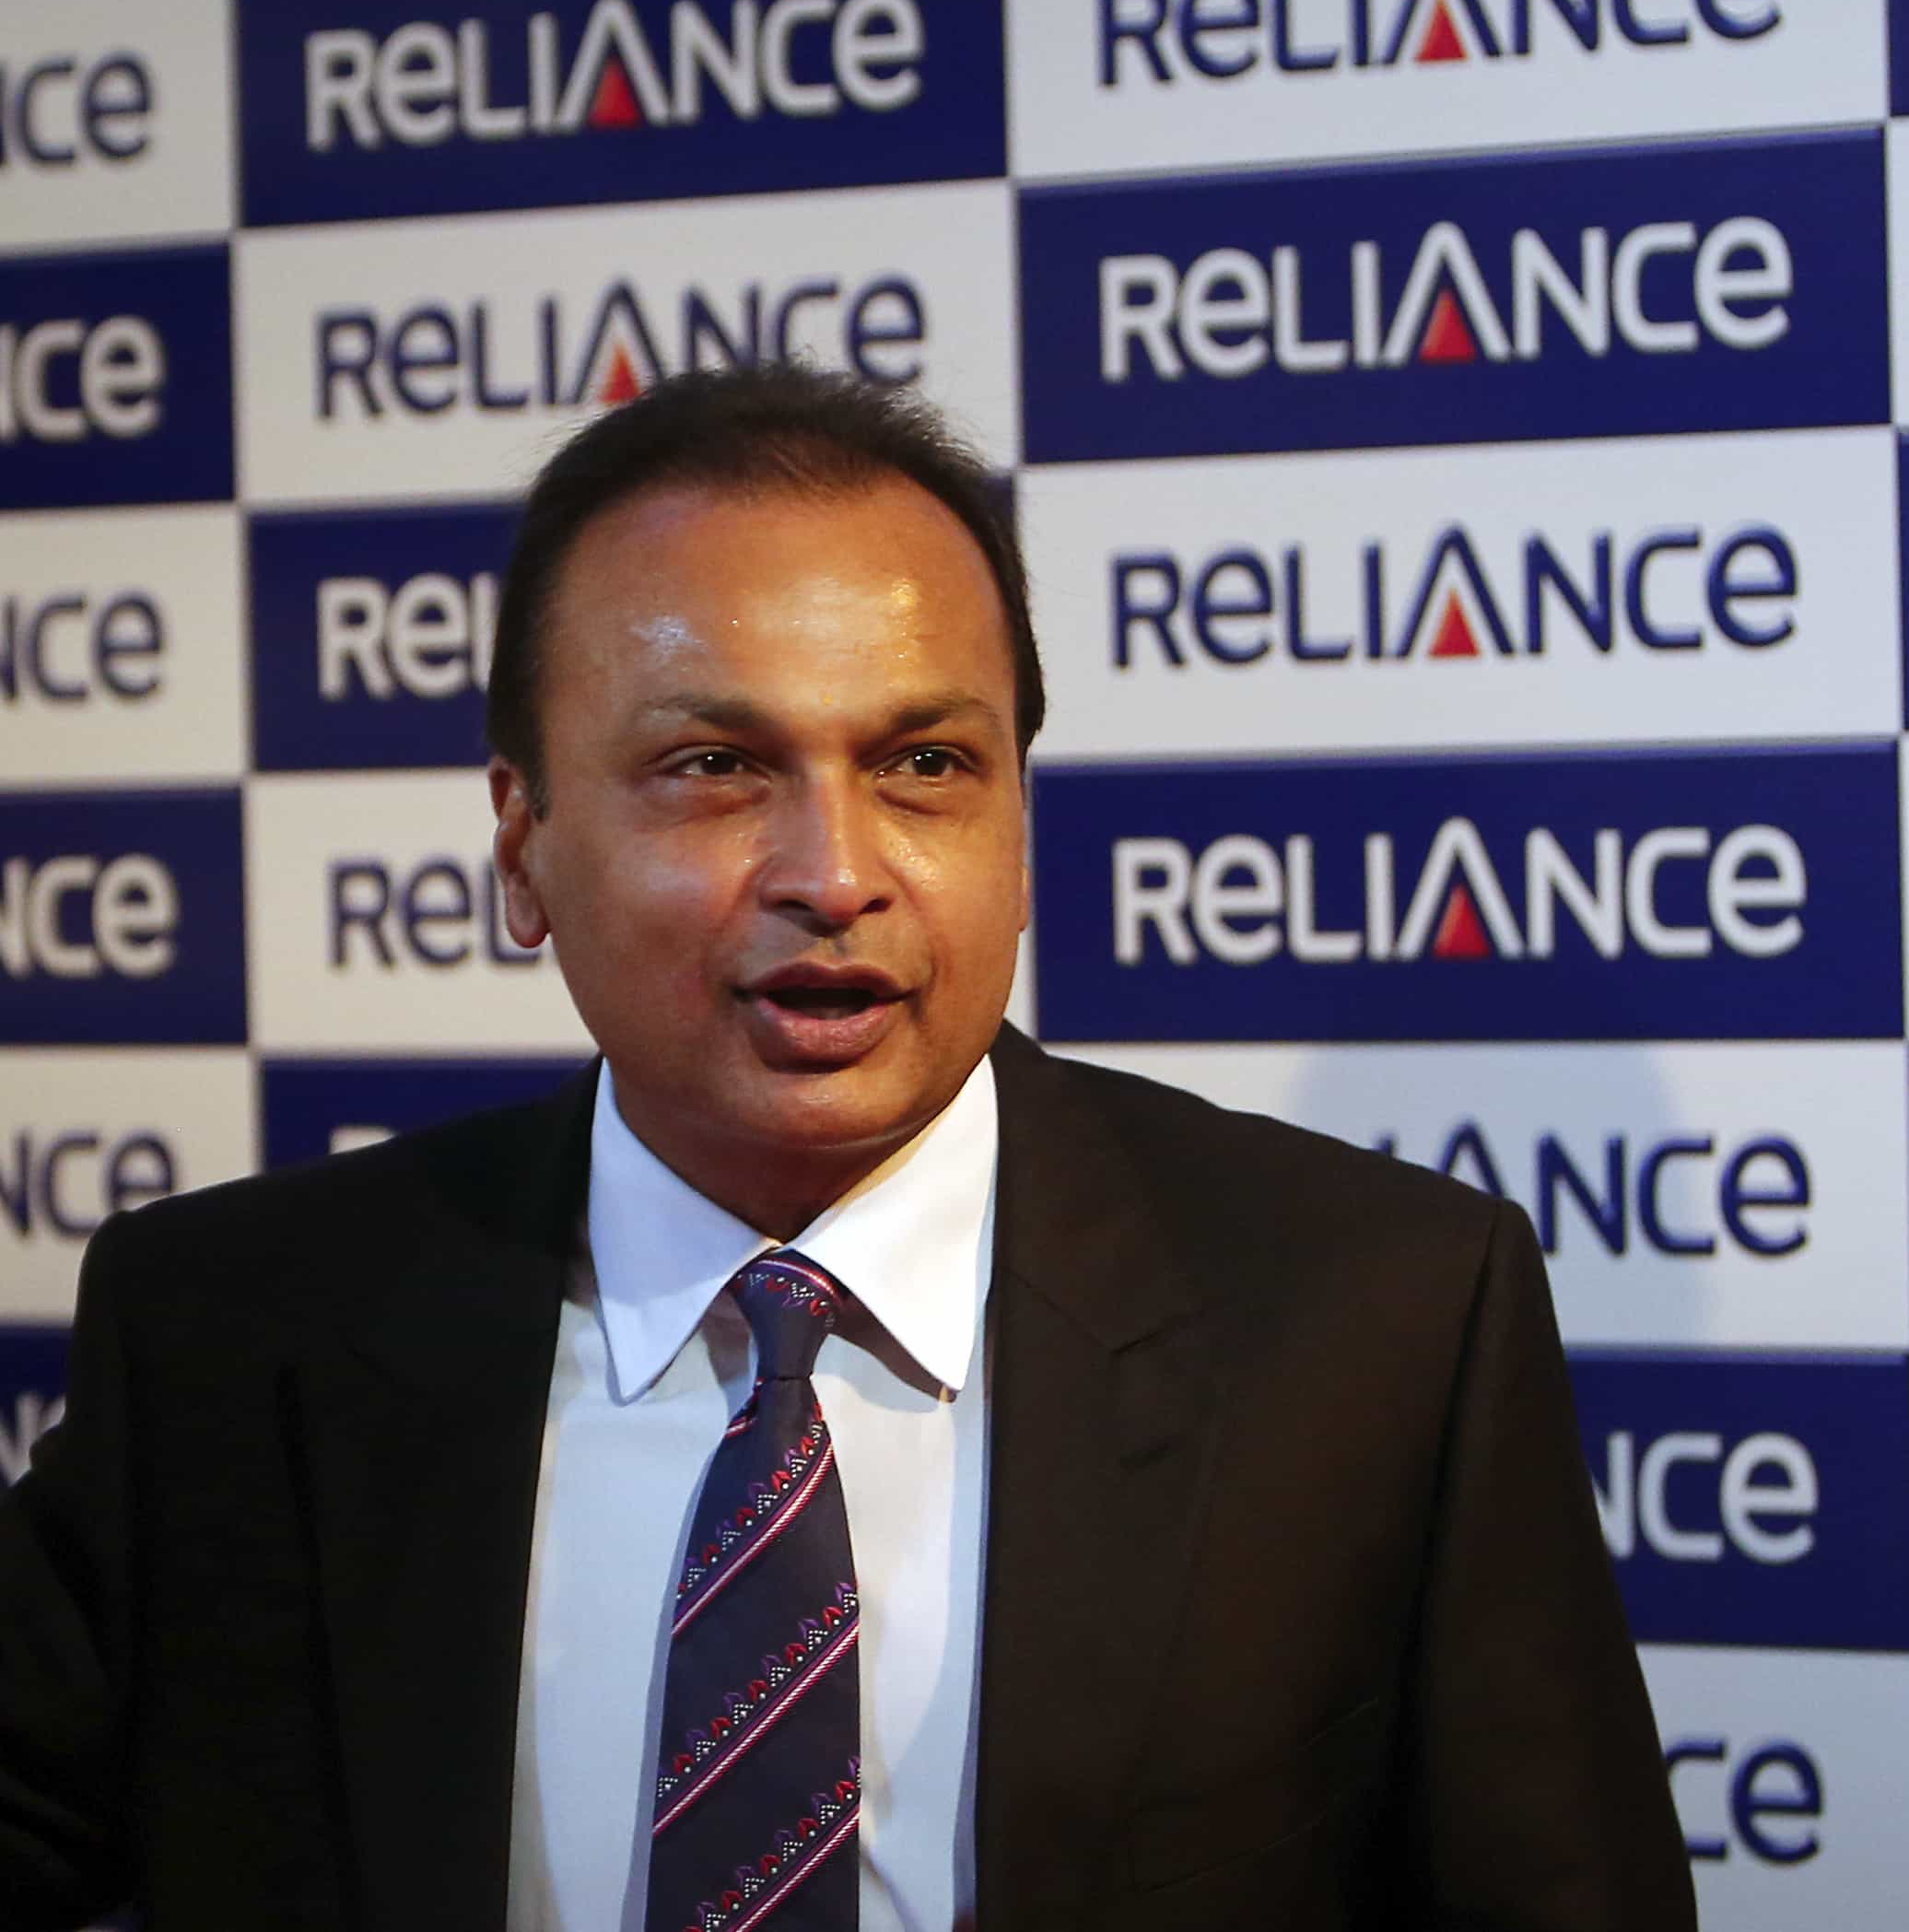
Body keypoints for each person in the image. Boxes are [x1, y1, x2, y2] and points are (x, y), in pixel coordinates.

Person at [0, 365, 1694, 1931]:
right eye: (718, 766)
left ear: (1022, 826)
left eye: (928, 764)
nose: (837, 869)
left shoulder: (1379, 1319)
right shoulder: (235, 1328)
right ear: (522, 846)